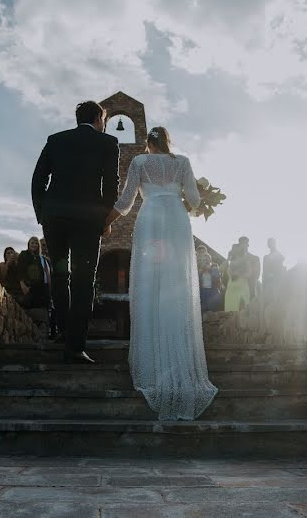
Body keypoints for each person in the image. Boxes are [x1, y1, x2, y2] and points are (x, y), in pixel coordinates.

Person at [105, 126, 217, 420]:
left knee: (151, 283)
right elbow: (193, 200)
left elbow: (127, 201)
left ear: (148, 144)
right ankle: (179, 359)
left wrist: (106, 221)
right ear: (168, 142)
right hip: (177, 224)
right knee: (177, 283)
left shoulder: (140, 162)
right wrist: (199, 193)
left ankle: (153, 364)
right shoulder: (182, 162)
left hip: (151, 222)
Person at [32, 100, 120, 364]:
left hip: (54, 219)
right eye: (103, 119)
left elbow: (38, 179)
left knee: (60, 275)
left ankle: (64, 332)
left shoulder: (56, 140)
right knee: (83, 281)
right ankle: (75, 345)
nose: (104, 125)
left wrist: (42, 214)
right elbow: (111, 185)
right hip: (87, 222)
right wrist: (105, 219)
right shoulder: (107, 143)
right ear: (97, 118)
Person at [17, 236, 52, 311]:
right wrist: (22, 284)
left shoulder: (40, 258)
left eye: (36, 243)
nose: (34, 245)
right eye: (32, 243)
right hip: (28, 286)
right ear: (29, 244)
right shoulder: (24, 254)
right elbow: (20, 270)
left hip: (40, 288)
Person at [224, 243, 250, 312]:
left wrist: (239, 274)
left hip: (242, 287)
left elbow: (249, 274)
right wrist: (228, 259)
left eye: (236, 248)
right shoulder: (230, 262)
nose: (234, 250)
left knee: (241, 310)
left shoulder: (245, 261)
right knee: (230, 311)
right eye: (233, 249)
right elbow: (221, 269)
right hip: (231, 288)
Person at [263, 238, 286, 307]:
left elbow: (280, 265)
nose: (270, 244)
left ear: (275, 243)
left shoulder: (279, 255)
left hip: (277, 279)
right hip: (268, 281)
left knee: (277, 298)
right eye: (269, 243)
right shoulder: (266, 257)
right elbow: (265, 271)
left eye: (271, 242)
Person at [240, 236, 261, 300]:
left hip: (251, 287)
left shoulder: (255, 258)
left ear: (247, 245)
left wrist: (247, 276)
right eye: (241, 244)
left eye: (244, 243)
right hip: (239, 288)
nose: (242, 245)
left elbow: (257, 274)